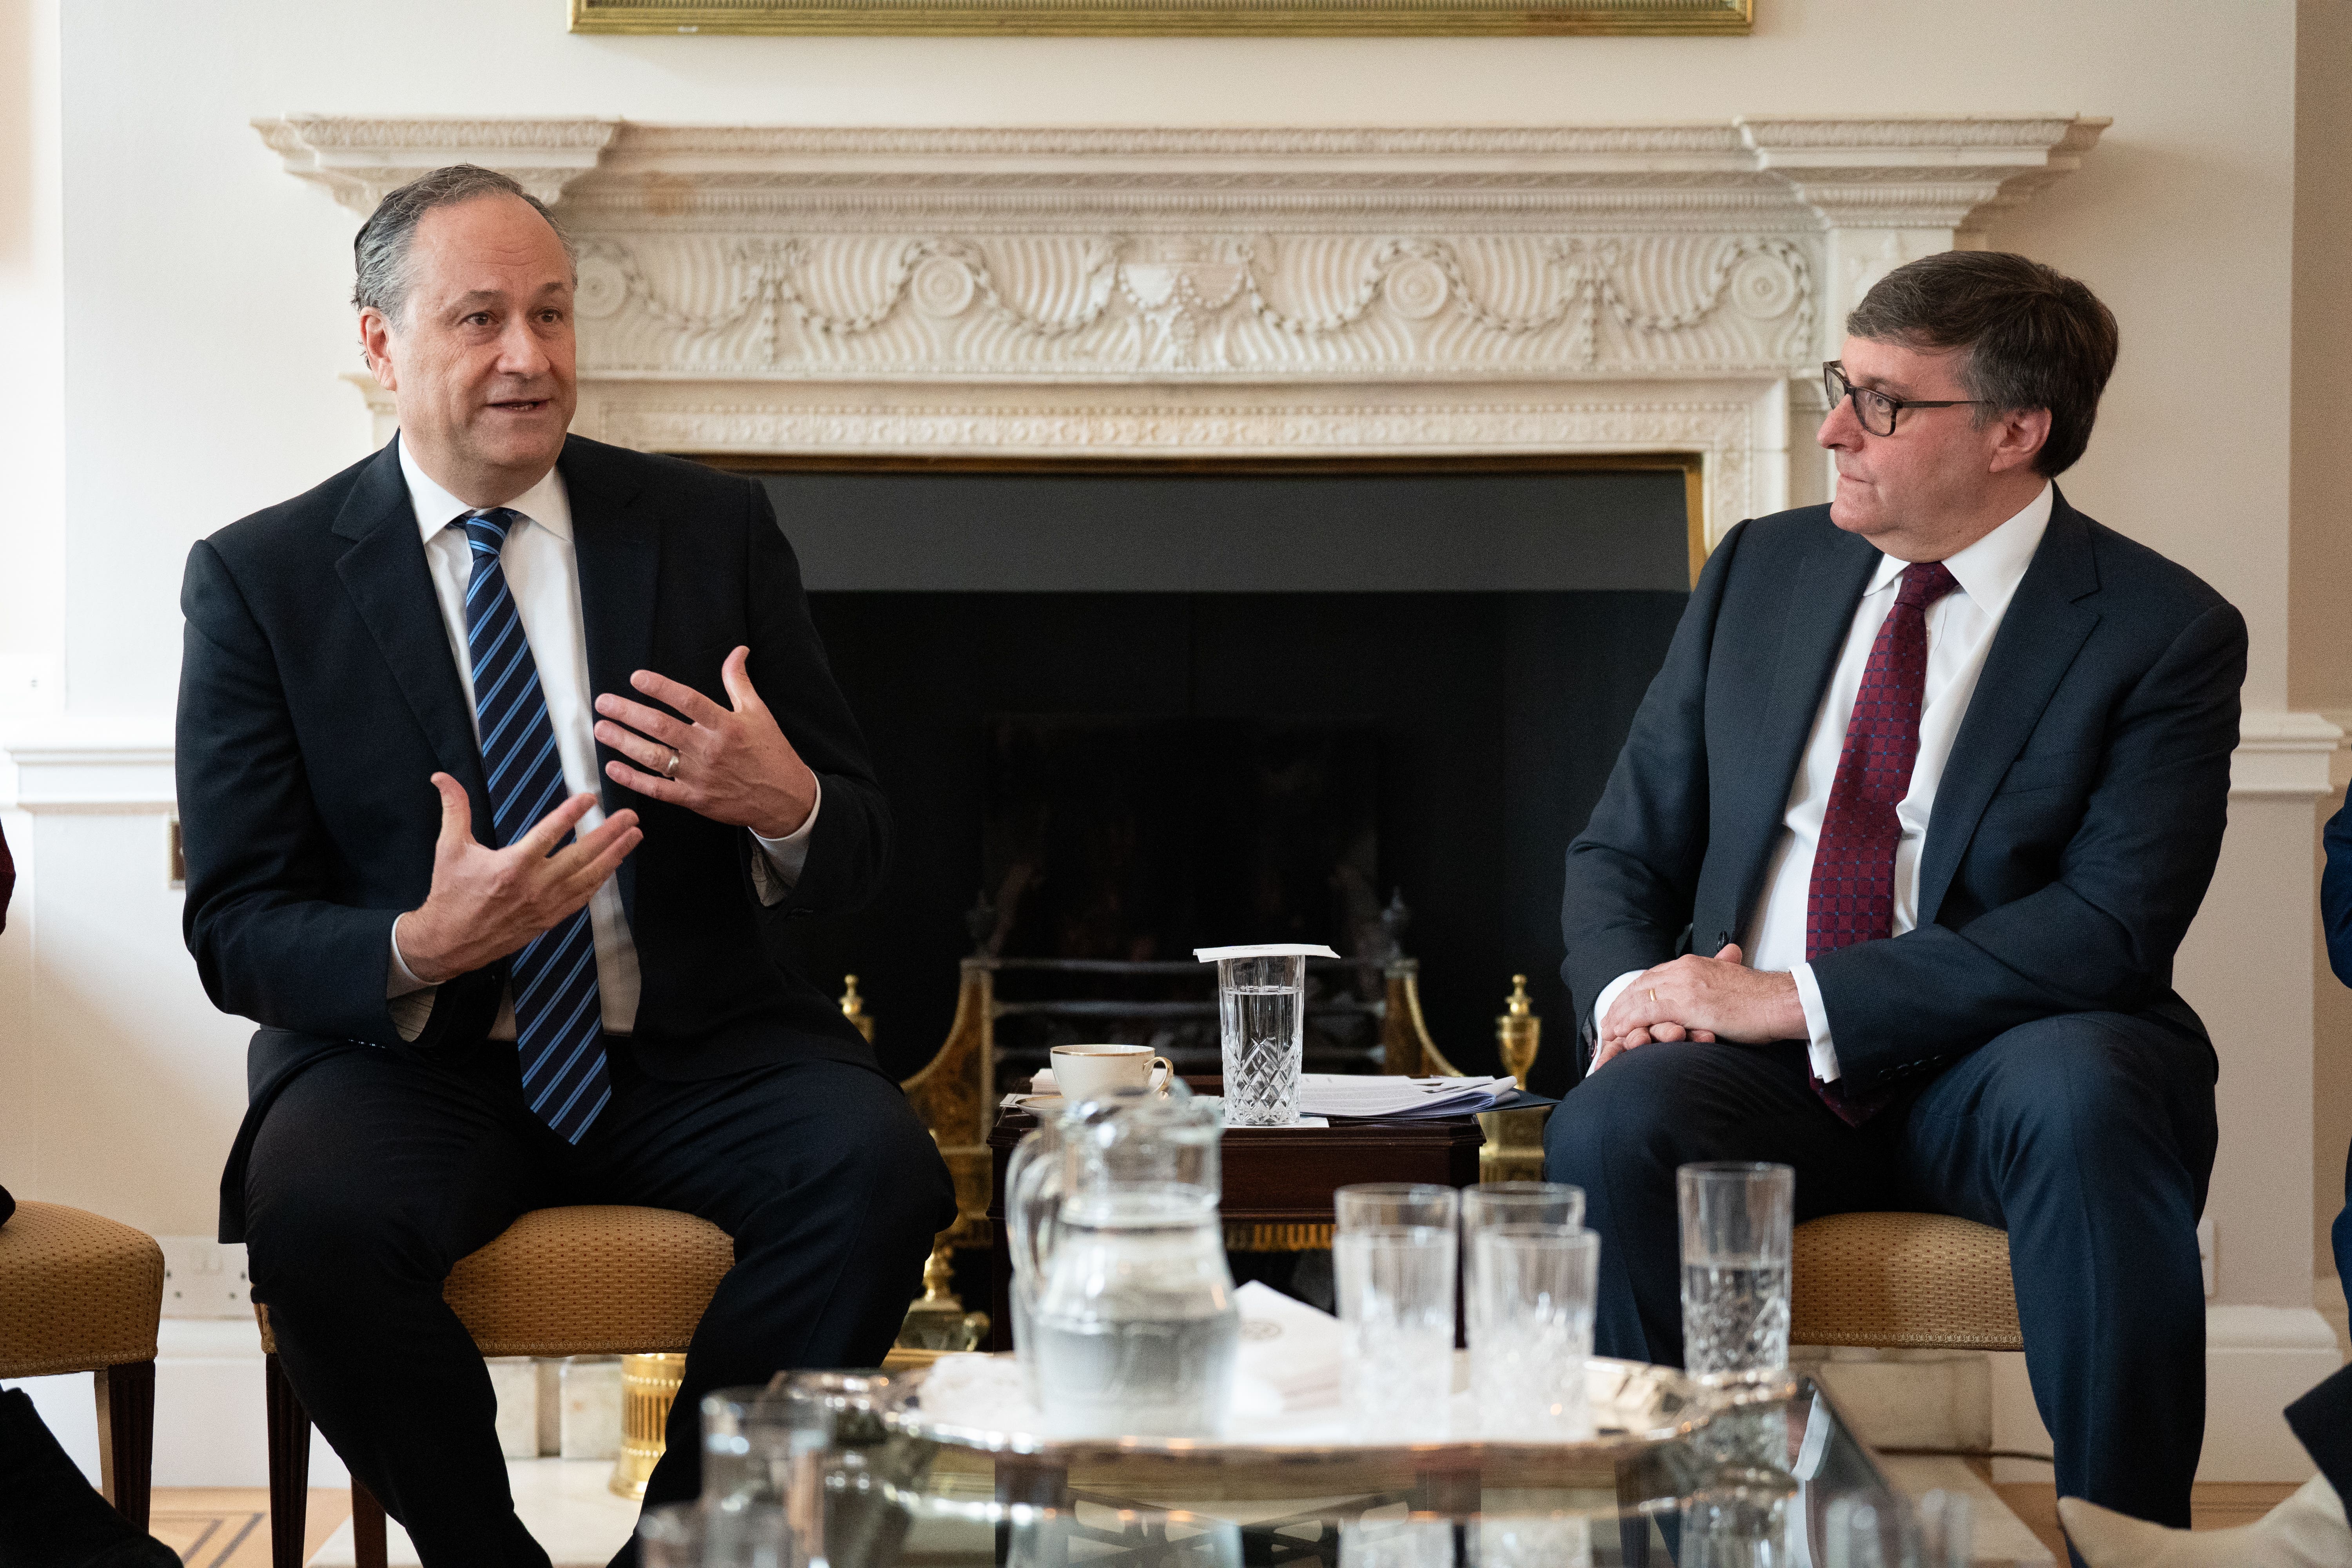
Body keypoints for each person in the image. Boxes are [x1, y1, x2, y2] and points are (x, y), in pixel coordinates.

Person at [175, 165, 955, 1566]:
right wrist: (421, 942)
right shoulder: (262, 580)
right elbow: (236, 928)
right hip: (413, 1062)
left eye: (552, 313)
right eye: (479, 319)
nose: (529, 357)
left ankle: (678, 1553)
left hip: (694, 1044)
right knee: (314, 1220)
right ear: (379, 344)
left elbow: (865, 850)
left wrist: (784, 804)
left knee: (880, 1171)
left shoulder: (712, 531)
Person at [1543, 250, 2245, 1547]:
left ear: (2014, 432)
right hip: (1756, 1078)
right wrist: (1640, 998)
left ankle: (2125, 1540)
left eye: (1882, 401)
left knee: (2091, 1093)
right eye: (1838, 386)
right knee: (1608, 1127)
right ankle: (1663, 1535)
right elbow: (1620, 855)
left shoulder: (2161, 628)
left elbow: (2108, 925)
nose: (1832, 429)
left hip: (2006, 1062)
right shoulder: (1760, 572)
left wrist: (1788, 998)